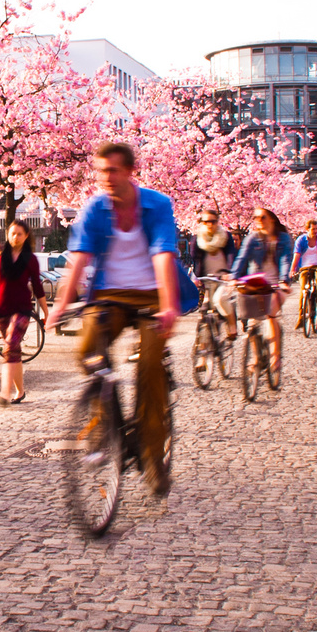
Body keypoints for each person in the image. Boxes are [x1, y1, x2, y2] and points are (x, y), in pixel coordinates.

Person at [47, 142, 181, 498]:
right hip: (109, 296)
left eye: (112, 171)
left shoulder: (156, 205)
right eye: (100, 171)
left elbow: (163, 256)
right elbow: (79, 259)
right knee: (88, 349)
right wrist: (60, 306)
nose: (105, 178)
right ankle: (106, 421)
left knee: (150, 366)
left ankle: (153, 457)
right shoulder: (95, 208)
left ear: (129, 172)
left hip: (152, 295)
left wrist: (168, 306)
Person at [0, 219, 48, 405]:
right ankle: (20, 392)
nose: (15, 237)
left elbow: (38, 288)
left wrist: (46, 312)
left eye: (20, 234)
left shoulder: (30, 259)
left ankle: (5, 392)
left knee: (9, 347)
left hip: (22, 309)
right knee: (13, 352)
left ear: (26, 236)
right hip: (0, 310)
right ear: (8, 234)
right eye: (13, 233)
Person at [232, 207, 291, 370]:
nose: (258, 220)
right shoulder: (252, 238)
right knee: (252, 322)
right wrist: (233, 277)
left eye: (262, 217)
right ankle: (258, 358)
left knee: (270, 315)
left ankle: (275, 357)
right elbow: (242, 258)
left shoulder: (283, 239)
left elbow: (286, 260)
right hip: (256, 282)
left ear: (271, 218)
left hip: (276, 284)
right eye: (255, 217)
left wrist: (284, 281)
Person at [191, 208, 239, 340]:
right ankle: (203, 348)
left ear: (217, 222)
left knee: (220, 299)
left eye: (213, 221)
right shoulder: (197, 239)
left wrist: (229, 273)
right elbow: (195, 259)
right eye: (206, 222)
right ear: (201, 222)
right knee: (204, 309)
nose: (210, 224)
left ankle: (231, 324)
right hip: (206, 278)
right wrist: (196, 277)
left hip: (223, 278)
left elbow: (230, 255)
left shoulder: (226, 236)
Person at [289, 218, 317, 329]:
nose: (315, 231)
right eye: (313, 229)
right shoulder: (301, 240)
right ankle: (301, 317)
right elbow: (296, 255)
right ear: (307, 229)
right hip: (305, 267)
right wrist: (292, 269)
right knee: (303, 290)